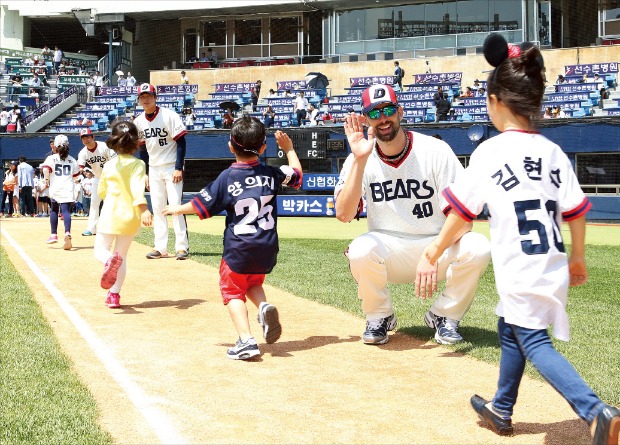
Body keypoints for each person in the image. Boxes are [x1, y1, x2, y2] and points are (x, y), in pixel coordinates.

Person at [422, 33, 620, 444]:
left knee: (533, 339)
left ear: (495, 101)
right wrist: (579, 258)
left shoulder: (489, 152)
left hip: (521, 268)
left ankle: (594, 410)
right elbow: (578, 211)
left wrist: (436, 248)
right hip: (551, 264)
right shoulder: (552, 151)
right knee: (511, 325)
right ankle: (502, 407)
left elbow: (461, 212)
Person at [334, 84, 491, 345]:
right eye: (375, 113)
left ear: (401, 112)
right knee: (361, 249)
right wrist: (360, 160)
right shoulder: (358, 156)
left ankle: (444, 316)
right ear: (366, 119)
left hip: (436, 247)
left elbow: (463, 218)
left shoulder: (435, 150)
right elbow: (344, 214)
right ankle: (379, 316)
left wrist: (433, 251)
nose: (383, 118)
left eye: (388, 110)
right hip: (389, 249)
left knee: (479, 246)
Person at [162, 117, 302, 360]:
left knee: (232, 291)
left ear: (230, 146)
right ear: (263, 148)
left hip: (238, 248)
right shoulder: (272, 173)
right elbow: (297, 175)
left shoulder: (228, 177)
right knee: (252, 282)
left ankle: (246, 340)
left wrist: (176, 208)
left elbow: (200, 204)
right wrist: (289, 149)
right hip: (267, 248)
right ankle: (264, 307)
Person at [95, 121, 153, 309]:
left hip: (110, 213)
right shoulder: (139, 164)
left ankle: (108, 261)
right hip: (130, 216)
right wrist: (143, 209)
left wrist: (111, 196)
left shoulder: (109, 165)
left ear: (113, 141)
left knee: (101, 251)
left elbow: (101, 191)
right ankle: (114, 295)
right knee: (122, 256)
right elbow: (138, 190)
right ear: (136, 142)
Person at [133, 83, 189, 260]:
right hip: (154, 168)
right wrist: (146, 173)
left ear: (155, 97)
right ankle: (160, 247)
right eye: (142, 96)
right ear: (139, 100)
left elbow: (181, 143)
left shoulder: (169, 115)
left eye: (149, 95)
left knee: (175, 207)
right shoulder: (138, 122)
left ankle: (182, 247)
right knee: (157, 208)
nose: (146, 99)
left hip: (172, 165)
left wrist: (179, 167)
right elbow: (142, 150)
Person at [42, 135, 79, 250]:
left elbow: (45, 169)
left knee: (54, 209)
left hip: (55, 187)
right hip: (68, 187)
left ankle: (53, 234)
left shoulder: (51, 158)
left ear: (56, 146)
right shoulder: (72, 160)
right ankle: (67, 232)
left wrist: (46, 179)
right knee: (66, 211)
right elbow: (76, 177)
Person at [77, 128, 117, 236]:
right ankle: (91, 228)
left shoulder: (104, 146)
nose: (86, 140)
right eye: (83, 138)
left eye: (88, 137)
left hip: (111, 178)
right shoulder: (83, 153)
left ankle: (113, 226)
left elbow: (115, 161)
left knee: (111, 203)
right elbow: (80, 167)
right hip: (98, 178)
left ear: (93, 137)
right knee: (94, 203)